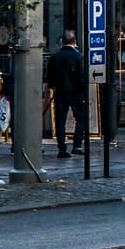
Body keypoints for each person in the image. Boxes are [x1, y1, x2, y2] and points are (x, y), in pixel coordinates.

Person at [45, 37, 89, 165]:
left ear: (62, 43)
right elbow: (81, 75)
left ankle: (61, 148)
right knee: (80, 118)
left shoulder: (55, 57)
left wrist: (55, 86)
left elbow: (49, 77)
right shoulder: (78, 56)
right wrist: (82, 90)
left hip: (60, 92)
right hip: (76, 93)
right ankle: (77, 145)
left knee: (60, 121)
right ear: (75, 42)